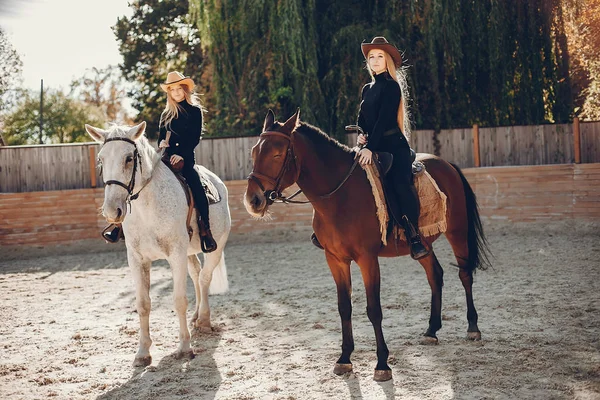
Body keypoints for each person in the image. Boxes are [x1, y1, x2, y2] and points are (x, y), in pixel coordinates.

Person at [311, 37, 429, 260]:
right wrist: (362, 137)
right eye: (371, 57)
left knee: (399, 184)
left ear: (388, 61)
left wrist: (370, 147)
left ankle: (414, 236)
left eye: (379, 56)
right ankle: (328, 229)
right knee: (344, 177)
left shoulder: (392, 87)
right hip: (371, 146)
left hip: (394, 148)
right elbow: (362, 118)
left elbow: (385, 120)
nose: (374, 61)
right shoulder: (367, 89)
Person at [157, 71, 217, 253]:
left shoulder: (194, 111)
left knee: (197, 186)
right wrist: (161, 143)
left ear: (185, 90)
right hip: (166, 160)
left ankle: (205, 229)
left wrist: (182, 154)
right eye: (172, 89)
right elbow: (160, 139)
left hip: (185, 160)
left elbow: (194, 138)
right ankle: (123, 227)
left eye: (178, 88)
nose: (176, 92)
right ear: (169, 92)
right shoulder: (165, 114)